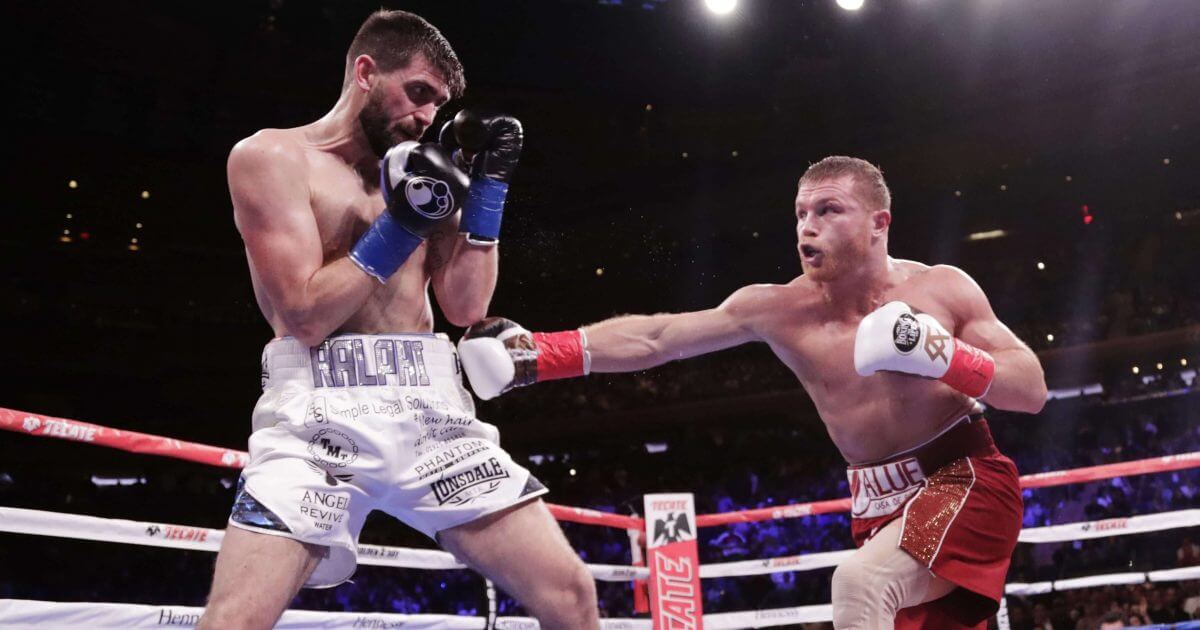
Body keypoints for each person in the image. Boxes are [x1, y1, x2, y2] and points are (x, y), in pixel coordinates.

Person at [459, 156, 1048, 629]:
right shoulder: (780, 308)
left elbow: (1032, 390)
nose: (807, 226)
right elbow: (658, 336)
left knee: (861, 585)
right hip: (876, 504)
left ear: (879, 223)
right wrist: (538, 355)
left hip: (964, 476)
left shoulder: (941, 290)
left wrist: (944, 356)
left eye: (828, 209)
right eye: (800, 213)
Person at [199, 10, 598, 630]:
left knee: (571, 596)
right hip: (317, 413)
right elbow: (302, 316)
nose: (425, 117)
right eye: (416, 93)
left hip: (429, 408)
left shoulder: (418, 169)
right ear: (365, 72)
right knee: (235, 621)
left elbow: (465, 309)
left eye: (437, 104)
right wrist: (400, 227)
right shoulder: (273, 157)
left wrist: (488, 191)